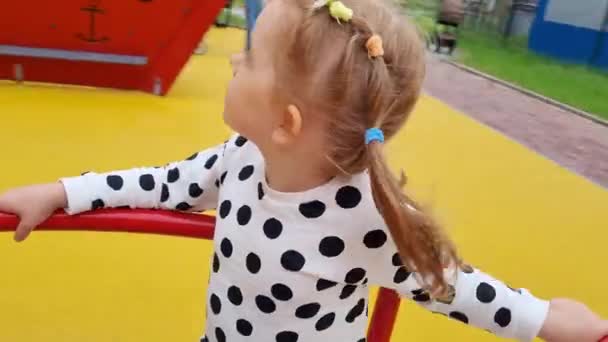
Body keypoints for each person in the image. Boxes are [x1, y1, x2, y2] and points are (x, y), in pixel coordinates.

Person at [1, 0, 606, 341]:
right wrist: (61, 191)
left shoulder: (368, 216)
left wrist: (548, 320)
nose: (234, 59)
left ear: (287, 121)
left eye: (250, 57)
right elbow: (159, 183)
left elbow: (454, 288)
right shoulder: (242, 159)